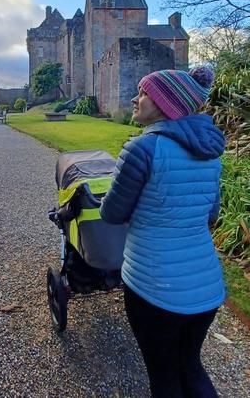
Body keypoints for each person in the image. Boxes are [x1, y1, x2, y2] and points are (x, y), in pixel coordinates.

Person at [100, 67, 225, 398]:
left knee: (164, 378)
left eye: (142, 93)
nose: (134, 99)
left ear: (165, 104)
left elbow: (112, 214)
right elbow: (210, 215)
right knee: (191, 368)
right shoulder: (211, 154)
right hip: (206, 287)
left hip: (154, 287)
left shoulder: (142, 149)